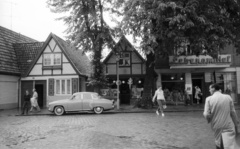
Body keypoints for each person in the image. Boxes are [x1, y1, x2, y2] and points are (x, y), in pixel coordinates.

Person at [203, 83, 239, 149]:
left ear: (213, 89)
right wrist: (236, 125)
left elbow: (206, 114)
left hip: (217, 125)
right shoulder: (228, 97)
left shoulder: (208, 99)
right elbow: (233, 113)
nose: (209, 90)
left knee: (219, 143)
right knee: (230, 145)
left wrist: (209, 119)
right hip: (228, 125)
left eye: (209, 89)